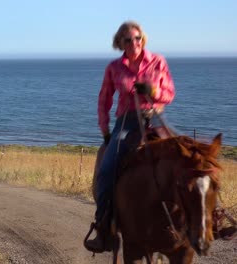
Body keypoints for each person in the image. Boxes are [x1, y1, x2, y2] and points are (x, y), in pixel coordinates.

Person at [84, 21, 175, 253]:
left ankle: (203, 219)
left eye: (137, 38)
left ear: (142, 39)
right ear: (120, 43)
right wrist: (105, 130)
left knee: (186, 158)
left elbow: (169, 93)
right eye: (128, 39)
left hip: (154, 118)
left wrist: (153, 92)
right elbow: (104, 100)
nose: (134, 43)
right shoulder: (114, 68)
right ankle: (104, 229)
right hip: (127, 122)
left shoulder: (157, 61)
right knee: (106, 170)